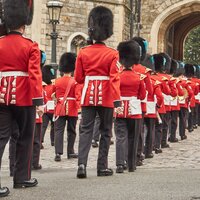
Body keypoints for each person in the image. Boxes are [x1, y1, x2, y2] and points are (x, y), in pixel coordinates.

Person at [0, 0, 43, 196]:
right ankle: (21, 178)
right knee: (25, 137)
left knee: (1, 138)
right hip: (25, 97)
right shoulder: (30, 45)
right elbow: (34, 74)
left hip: (1, 97)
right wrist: (38, 100)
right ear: (23, 24)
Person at [75, 6, 121, 178]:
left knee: (85, 130)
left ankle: (81, 165)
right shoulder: (112, 53)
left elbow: (79, 78)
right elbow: (114, 78)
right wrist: (117, 101)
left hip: (88, 94)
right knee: (106, 131)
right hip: (107, 96)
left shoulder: (83, 52)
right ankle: (102, 167)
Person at [115, 40, 146, 173]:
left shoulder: (118, 76)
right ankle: (132, 164)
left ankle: (120, 164)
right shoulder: (139, 77)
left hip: (120, 109)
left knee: (120, 137)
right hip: (134, 110)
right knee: (133, 137)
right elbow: (142, 95)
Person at [53, 52, 79, 161]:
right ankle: (70, 152)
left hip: (60, 107)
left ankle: (58, 153)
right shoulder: (75, 81)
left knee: (58, 130)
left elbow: (53, 95)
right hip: (72, 108)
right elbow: (78, 95)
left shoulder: (56, 81)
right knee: (71, 130)